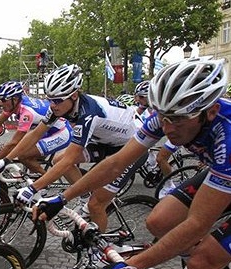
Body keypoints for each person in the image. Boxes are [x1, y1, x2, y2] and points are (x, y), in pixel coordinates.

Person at [34, 57, 231, 269]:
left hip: (226, 165)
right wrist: (61, 198)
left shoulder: (229, 137)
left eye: (176, 119)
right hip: (218, 170)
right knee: (158, 221)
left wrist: (133, 268)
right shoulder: (166, 116)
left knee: (202, 260)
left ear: (210, 111)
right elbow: (115, 163)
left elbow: (198, 223)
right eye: (162, 116)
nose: (167, 126)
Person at [14, 64, 140, 231]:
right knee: (58, 159)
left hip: (131, 145)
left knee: (96, 205)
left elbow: (69, 160)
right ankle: (84, 197)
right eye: (49, 99)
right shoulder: (60, 107)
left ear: (73, 95)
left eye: (57, 100)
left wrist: (33, 188)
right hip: (106, 142)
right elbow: (36, 134)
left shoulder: (88, 113)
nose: (52, 105)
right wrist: (7, 159)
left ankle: (98, 251)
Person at [0, 80, 72, 176]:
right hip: (48, 130)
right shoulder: (15, 104)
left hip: (61, 133)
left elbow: (14, 142)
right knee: (21, 149)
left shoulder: (27, 113)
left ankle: (44, 183)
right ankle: (35, 172)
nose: (0, 103)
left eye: (3, 100)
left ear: (14, 99)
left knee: (23, 156)